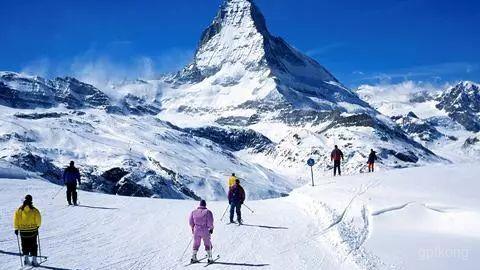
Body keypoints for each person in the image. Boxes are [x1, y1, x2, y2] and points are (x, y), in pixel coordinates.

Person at [13, 195, 42, 267]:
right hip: (33, 231)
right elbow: (38, 219)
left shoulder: (19, 210)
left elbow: (16, 220)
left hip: (23, 232)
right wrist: (37, 226)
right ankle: (34, 260)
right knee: (33, 245)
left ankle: (26, 259)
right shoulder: (34, 210)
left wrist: (16, 228)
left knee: (24, 244)